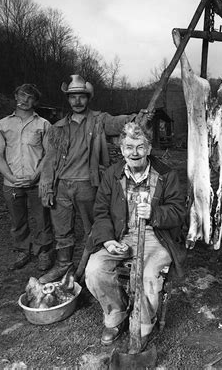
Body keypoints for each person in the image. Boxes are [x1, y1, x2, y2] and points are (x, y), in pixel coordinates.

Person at [84, 121, 186, 346]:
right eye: (129, 147)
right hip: (122, 236)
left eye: (140, 147)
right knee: (94, 270)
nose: (135, 153)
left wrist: (154, 212)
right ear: (121, 150)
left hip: (157, 239)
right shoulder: (113, 174)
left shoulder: (166, 175)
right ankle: (117, 315)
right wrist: (109, 241)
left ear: (149, 149)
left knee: (148, 276)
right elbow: (100, 211)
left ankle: (142, 325)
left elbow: (179, 212)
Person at [38, 75, 144, 283]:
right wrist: (47, 187)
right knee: (62, 229)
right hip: (61, 187)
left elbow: (117, 123)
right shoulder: (58, 128)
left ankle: (91, 268)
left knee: (94, 229)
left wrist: (134, 119)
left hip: (88, 185)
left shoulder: (98, 120)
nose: (77, 102)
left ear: (88, 98)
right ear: (68, 100)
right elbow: (49, 161)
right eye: (73, 97)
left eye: (82, 97)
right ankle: (63, 266)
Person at [0, 83, 54, 271]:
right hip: (12, 183)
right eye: (22, 95)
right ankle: (22, 250)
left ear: (36, 101)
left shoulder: (44, 125)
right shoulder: (2, 124)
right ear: (15, 96)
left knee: (42, 220)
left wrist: (35, 176)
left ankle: (43, 252)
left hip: (37, 183)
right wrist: (9, 176)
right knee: (18, 220)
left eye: (30, 97)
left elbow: (49, 155)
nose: (25, 100)